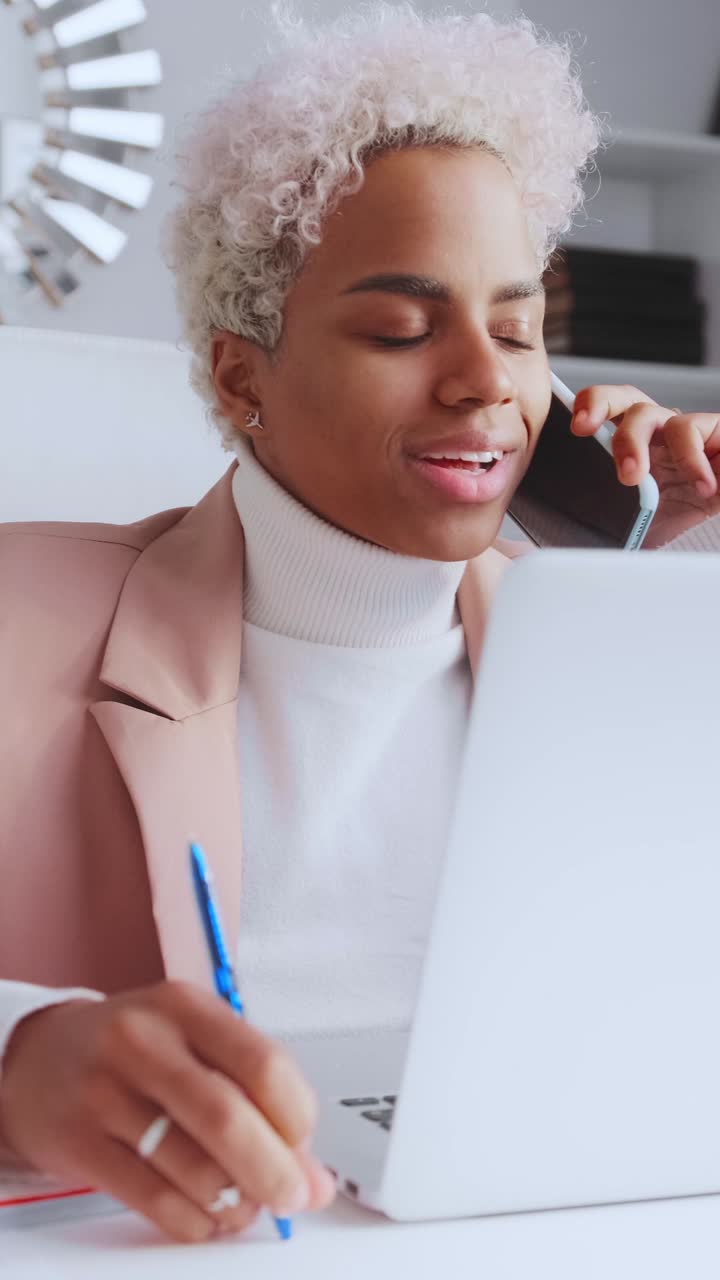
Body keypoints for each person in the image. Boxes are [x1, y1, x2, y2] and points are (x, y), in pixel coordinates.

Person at [1, 0, 719, 1247]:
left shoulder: (608, 637)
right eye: (401, 326)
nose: (487, 379)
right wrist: (15, 1052)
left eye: (515, 325)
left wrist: (641, 605)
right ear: (241, 377)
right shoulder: (23, 615)